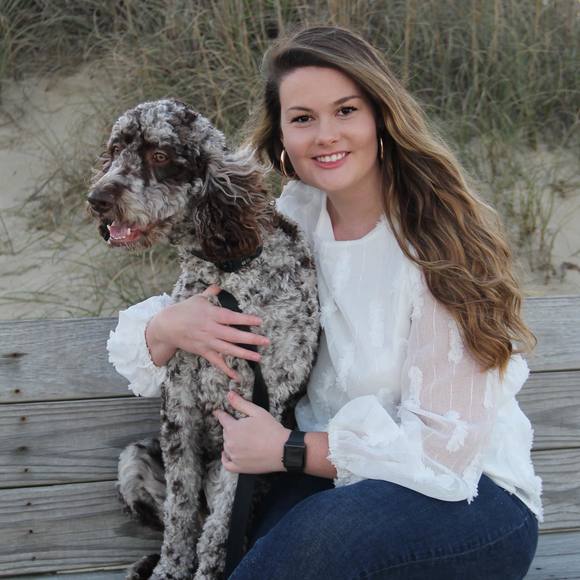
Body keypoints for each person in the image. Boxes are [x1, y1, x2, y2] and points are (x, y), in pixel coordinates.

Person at [107, 26, 542, 579]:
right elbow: (184, 304)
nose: (326, 135)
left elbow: (442, 454)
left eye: (346, 110)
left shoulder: (439, 245)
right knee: (245, 556)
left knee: (309, 545)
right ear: (281, 135)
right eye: (303, 118)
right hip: (327, 479)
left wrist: (288, 449)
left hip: (467, 498)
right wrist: (168, 327)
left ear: (380, 116)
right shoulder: (292, 218)